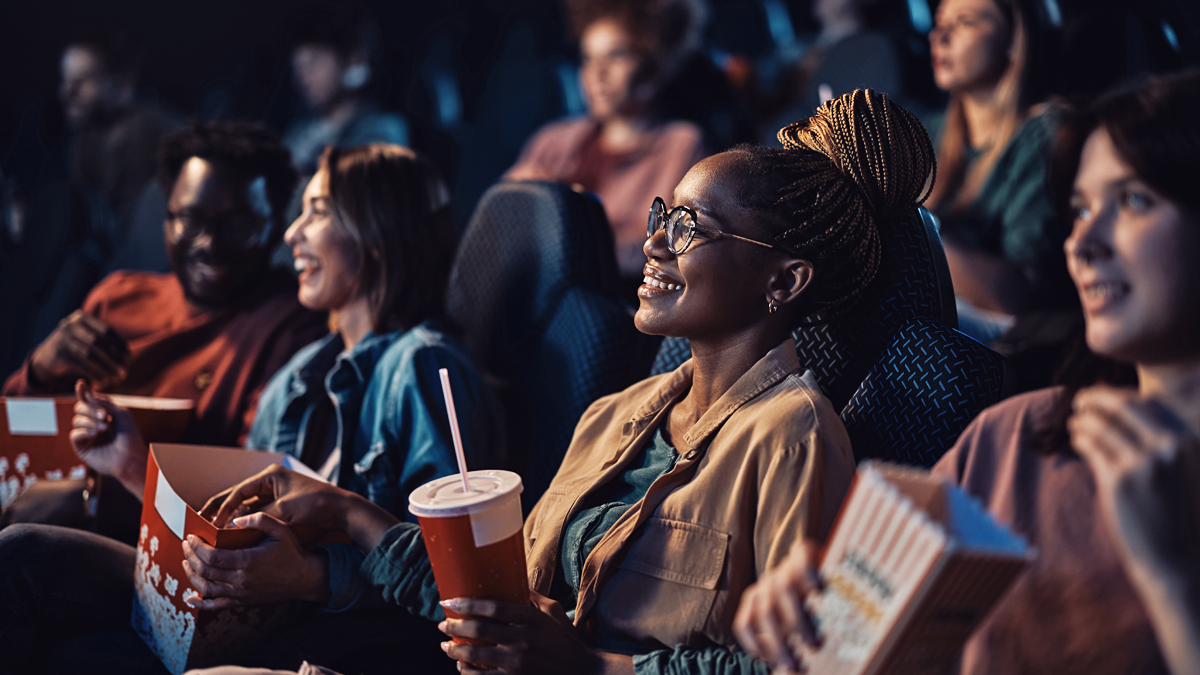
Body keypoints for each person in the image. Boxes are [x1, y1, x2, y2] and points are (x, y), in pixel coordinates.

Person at [185, 88, 936, 675]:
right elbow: (502, 606)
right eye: (660, 215)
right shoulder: (618, 413)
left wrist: (588, 664)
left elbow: (797, 663)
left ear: (784, 281)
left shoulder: (793, 433)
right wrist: (347, 514)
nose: (652, 243)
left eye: (689, 226)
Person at [733, 70, 1200, 675]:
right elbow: (860, 647)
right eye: (1081, 209)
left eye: (1134, 200)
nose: (1083, 244)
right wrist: (808, 610)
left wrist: (1173, 576)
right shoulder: (1007, 441)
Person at [0, 144, 502, 675]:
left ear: (379, 231)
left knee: (36, 573)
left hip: (318, 626)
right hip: (237, 600)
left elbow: (447, 574)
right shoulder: (299, 372)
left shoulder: (423, 366)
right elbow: (238, 514)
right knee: (24, 555)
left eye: (319, 211)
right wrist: (130, 467)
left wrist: (311, 575)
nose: (292, 234)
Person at [3, 121, 327, 450]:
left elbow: (251, 478)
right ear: (166, 221)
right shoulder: (116, 297)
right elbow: (15, 440)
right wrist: (40, 370)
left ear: (276, 230)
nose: (209, 244)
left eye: (239, 226)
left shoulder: (293, 324)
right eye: (190, 220)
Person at [505, 0, 707, 289]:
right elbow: (497, 229)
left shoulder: (681, 146)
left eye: (616, 56)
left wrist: (553, 213)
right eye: (588, 58)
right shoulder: (551, 141)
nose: (596, 73)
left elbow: (665, 250)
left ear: (653, 67)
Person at [922, 0, 1070, 342]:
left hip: (1007, 329)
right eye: (940, 22)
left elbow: (1017, 297)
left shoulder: (1044, 133)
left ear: (1013, 39)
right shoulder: (932, 130)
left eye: (965, 22)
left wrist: (913, 227)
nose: (940, 36)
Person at [283, 7, 409, 178]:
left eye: (315, 62)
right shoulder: (298, 133)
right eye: (298, 67)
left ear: (352, 61)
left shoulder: (383, 129)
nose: (304, 76)